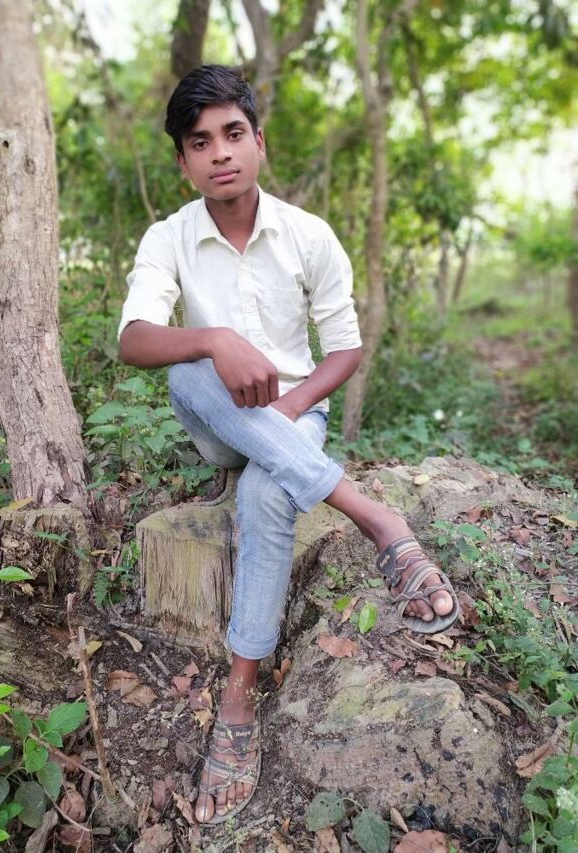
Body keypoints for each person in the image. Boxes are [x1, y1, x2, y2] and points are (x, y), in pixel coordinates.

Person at [118, 64, 459, 827]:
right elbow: (134, 339)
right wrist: (215, 339)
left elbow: (346, 348)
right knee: (191, 369)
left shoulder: (309, 234)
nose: (219, 152)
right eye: (199, 142)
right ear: (183, 160)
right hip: (216, 423)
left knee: (269, 488)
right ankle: (376, 518)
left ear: (259, 141)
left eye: (233, 133)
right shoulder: (169, 238)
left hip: (296, 416)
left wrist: (289, 407)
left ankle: (238, 698)